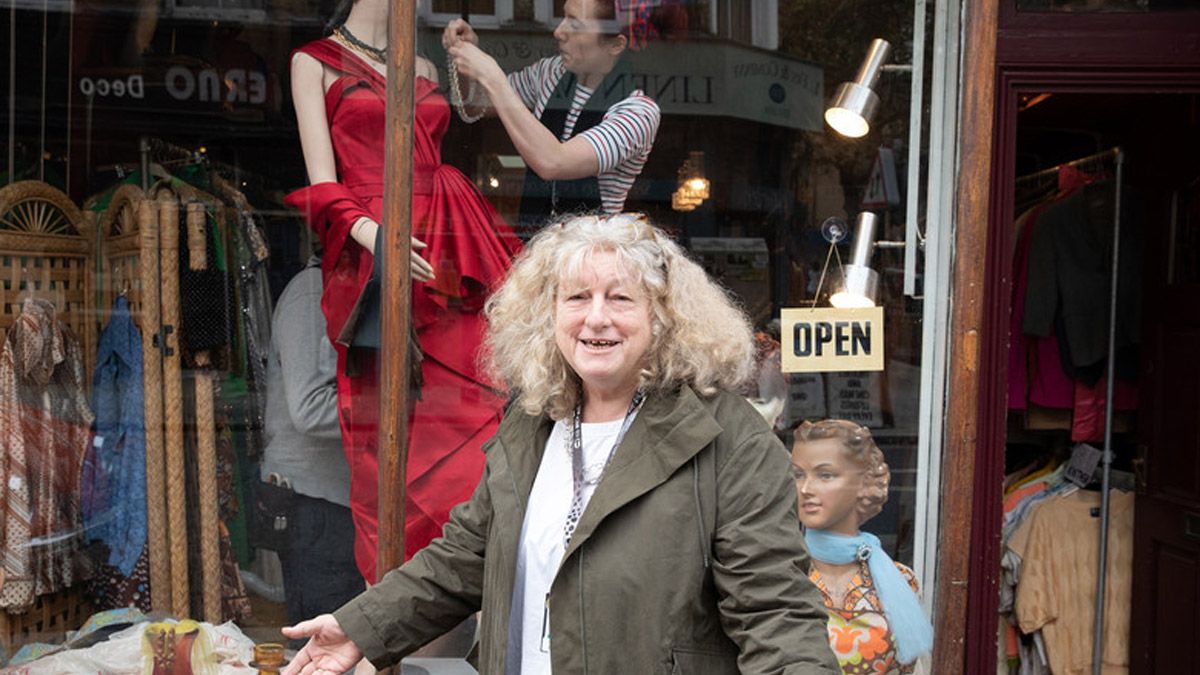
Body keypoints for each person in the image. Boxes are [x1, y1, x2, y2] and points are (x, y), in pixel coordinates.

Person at [280, 213, 839, 675]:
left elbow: (775, 612)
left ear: (664, 318)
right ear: (549, 315)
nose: (596, 318)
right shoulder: (532, 420)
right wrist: (360, 626)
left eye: (621, 298)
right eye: (576, 297)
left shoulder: (727, 436)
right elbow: (464, 559)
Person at [284, 0, 521, 582]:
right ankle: (396, 602)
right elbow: (322, 183)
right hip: (374, 251)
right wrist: (376, 236)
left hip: (444, 240)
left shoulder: (427, 68)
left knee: (471, 415)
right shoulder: (311, 63)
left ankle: (462, 580)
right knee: (385, 427)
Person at [443, 0, 663, 229]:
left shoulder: (638, 113)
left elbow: (553, 162)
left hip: (589, 253)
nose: (559, 32)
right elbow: (475, 106)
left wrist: (492, 76)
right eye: (563, 17)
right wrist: (466, 55)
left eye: (575, 24)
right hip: (536, 250)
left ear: (616, 45)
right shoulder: (551, 72)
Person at [260, 258, 364, 641]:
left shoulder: (341, 289)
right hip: (316, 505)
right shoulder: (312, 292)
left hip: (339, 502)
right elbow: (308, 408)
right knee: (325, 641)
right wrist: (396, 410)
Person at [791, 419, 934, 674]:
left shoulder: (899, 582)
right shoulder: (779, 574)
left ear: (864, 483)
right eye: (798, 474)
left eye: (825, 475)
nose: (805, 488)